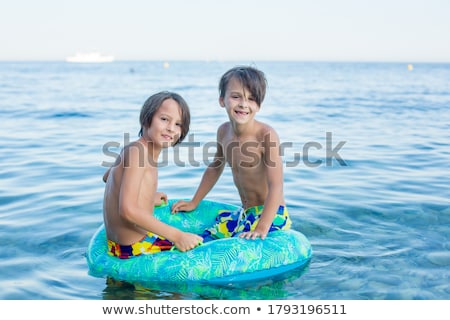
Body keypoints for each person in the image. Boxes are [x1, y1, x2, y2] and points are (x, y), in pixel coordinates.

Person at [171, 66, 291, 241]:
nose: (243, 104)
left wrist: (262, 227)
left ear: (259, 105)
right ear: (222, 100)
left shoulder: (265, 135)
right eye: (236, 97)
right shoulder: (223, 131)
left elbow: (276, 186)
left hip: (272, 216)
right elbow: (215, 168)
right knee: (205, 238)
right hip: (247, 212)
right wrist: (194, 202)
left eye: (251, 99)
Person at [103, 91, 203, 259]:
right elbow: (127, 210)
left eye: (178, 124)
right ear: (146, 118)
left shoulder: (133, 148)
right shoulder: (139, 152)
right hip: (136, 249)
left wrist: (147, 197)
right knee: (203, 243)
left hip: (119, 245)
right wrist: (178, 236)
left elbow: (108, 177)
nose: (171, 128)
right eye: (164, 119)